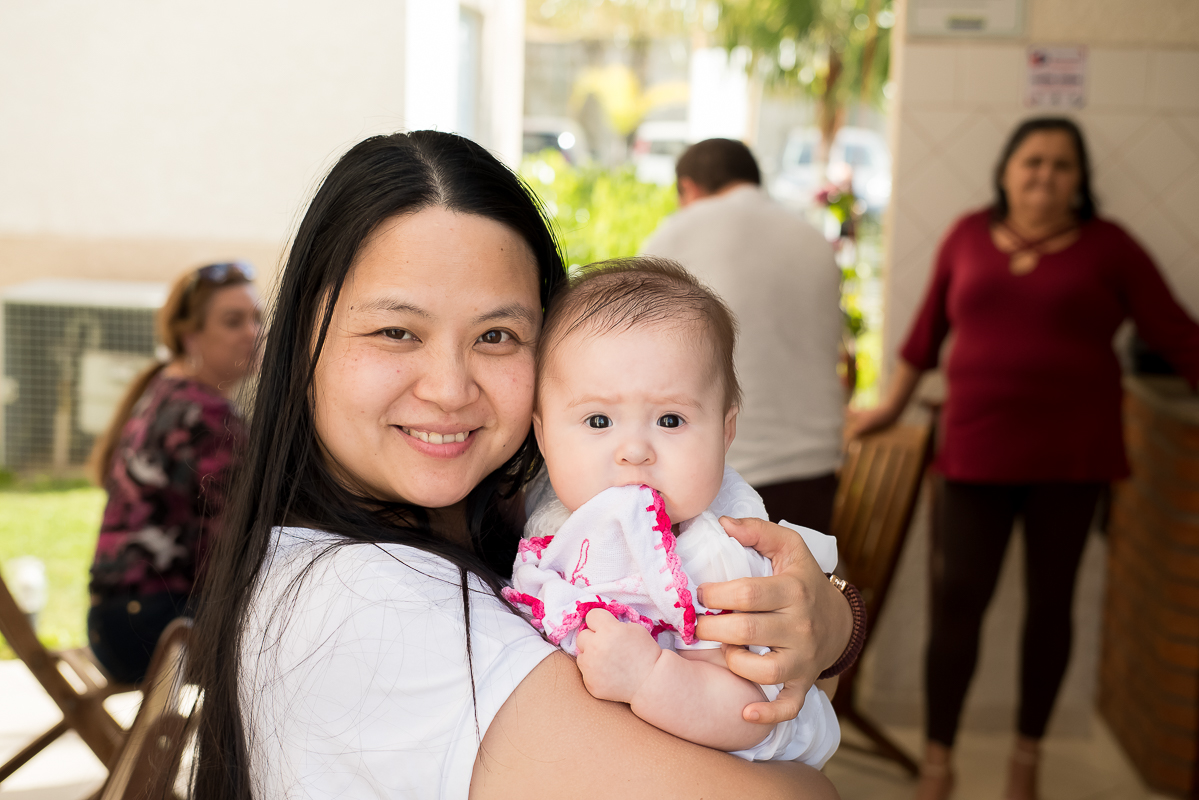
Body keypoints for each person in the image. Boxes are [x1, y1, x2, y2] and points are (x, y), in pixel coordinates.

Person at [190, 131, 857, 800]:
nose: (449, 389)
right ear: (301, 340)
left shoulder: (535, 511)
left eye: (496, 335)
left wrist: (831, 622)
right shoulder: (364, 606)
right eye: (396, 331)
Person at [850, 117, 1199, 800]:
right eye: (1032, 161)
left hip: (1074, 459)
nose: (1045, 174)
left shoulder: (1111, 246)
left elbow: (1176, 332)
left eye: (1062, 165)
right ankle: (938, 761)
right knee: (958, 602)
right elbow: (925, 336)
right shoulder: (966, 235)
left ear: (1080, 181)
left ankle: (1026, 759)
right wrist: (889, 407)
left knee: (1051, 606)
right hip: (974, 451)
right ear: (1006, 172)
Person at [507, 258, 843, 766]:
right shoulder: (547, 518)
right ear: (542, 434)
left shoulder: (716, 559)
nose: (634, 451)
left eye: (670, 419)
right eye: (598, 420)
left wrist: (650, 678)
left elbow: (754, 714)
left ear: (726, 431)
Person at [641, 138, 844, 533]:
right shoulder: (812, 238)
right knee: (803, 570)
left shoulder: (676, 235)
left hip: (722, 475)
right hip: (814, 468)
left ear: (688, 188)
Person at [87, 262, 259, 684]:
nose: (253, 333)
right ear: (190, 337)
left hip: (116, 624)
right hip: (156, 628)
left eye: (257, 318)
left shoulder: (165, 390)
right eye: (233, 322)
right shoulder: (207, 414)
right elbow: (237, 541)